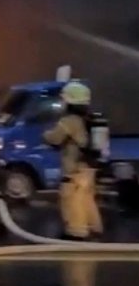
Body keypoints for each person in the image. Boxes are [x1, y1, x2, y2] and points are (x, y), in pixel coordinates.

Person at [43, 81, 103, 241]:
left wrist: (45, 135)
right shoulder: (89, 119)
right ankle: (94, 228)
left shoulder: (69, 121)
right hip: (89, 168)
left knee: (72, 198)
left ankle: (76, 233)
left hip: (74, 169)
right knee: (87, 199)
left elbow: (55, 138)